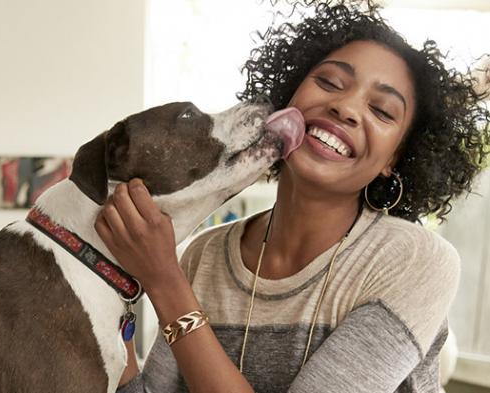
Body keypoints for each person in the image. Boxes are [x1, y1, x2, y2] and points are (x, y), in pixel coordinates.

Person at [94, 1, 490, 392]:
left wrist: (164, 280)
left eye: (382, 111)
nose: (345, 107)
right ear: (289, 100)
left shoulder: (416, 263)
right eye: (330, 82)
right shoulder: (205, 256)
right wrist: (114, 277)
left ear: (395, 159)